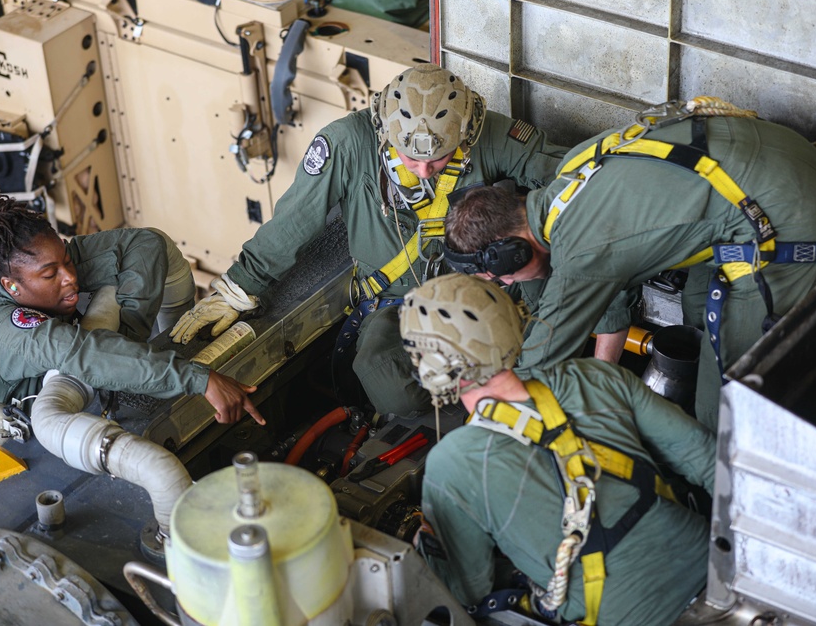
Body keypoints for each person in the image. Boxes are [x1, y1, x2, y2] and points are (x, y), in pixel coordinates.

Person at [170, 63, 566, 417]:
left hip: (486, 286)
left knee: (546, 347)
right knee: (388, 386)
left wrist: (521, 237)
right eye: (411, 159)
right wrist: (239, 288)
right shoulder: (348, 143)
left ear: (464, 131)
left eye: (439, 158)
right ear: (385, 132)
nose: (425, 170)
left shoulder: (491, 135)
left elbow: (567, 185)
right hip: (396, 300)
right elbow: (294, 221)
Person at [442, 100, 816, 430]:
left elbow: (542, 360)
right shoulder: (570, 174)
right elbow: (616, 268)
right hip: (778, 153)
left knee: (722, 408)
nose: (510, 282)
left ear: (513, 251)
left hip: (788, 214)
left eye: (503, 275)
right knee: (699, 308)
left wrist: (485, 421)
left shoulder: (580, 252)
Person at [399, 273, 716, 626]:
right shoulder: (597, 376)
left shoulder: (451, 464)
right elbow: (707, 459)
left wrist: (429, 548)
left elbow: (467, 591)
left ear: (432, 370)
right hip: (715, 570)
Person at [0, 195, 264, 458]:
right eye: (50, 275)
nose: (69, 277)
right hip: (7, 459)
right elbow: (81, 352)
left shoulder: (36, 268)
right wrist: (201, 380)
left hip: (69, 425)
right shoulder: (6, 330)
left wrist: (124, 343)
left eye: (67, 260)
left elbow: (144, 246)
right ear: (12, 286)